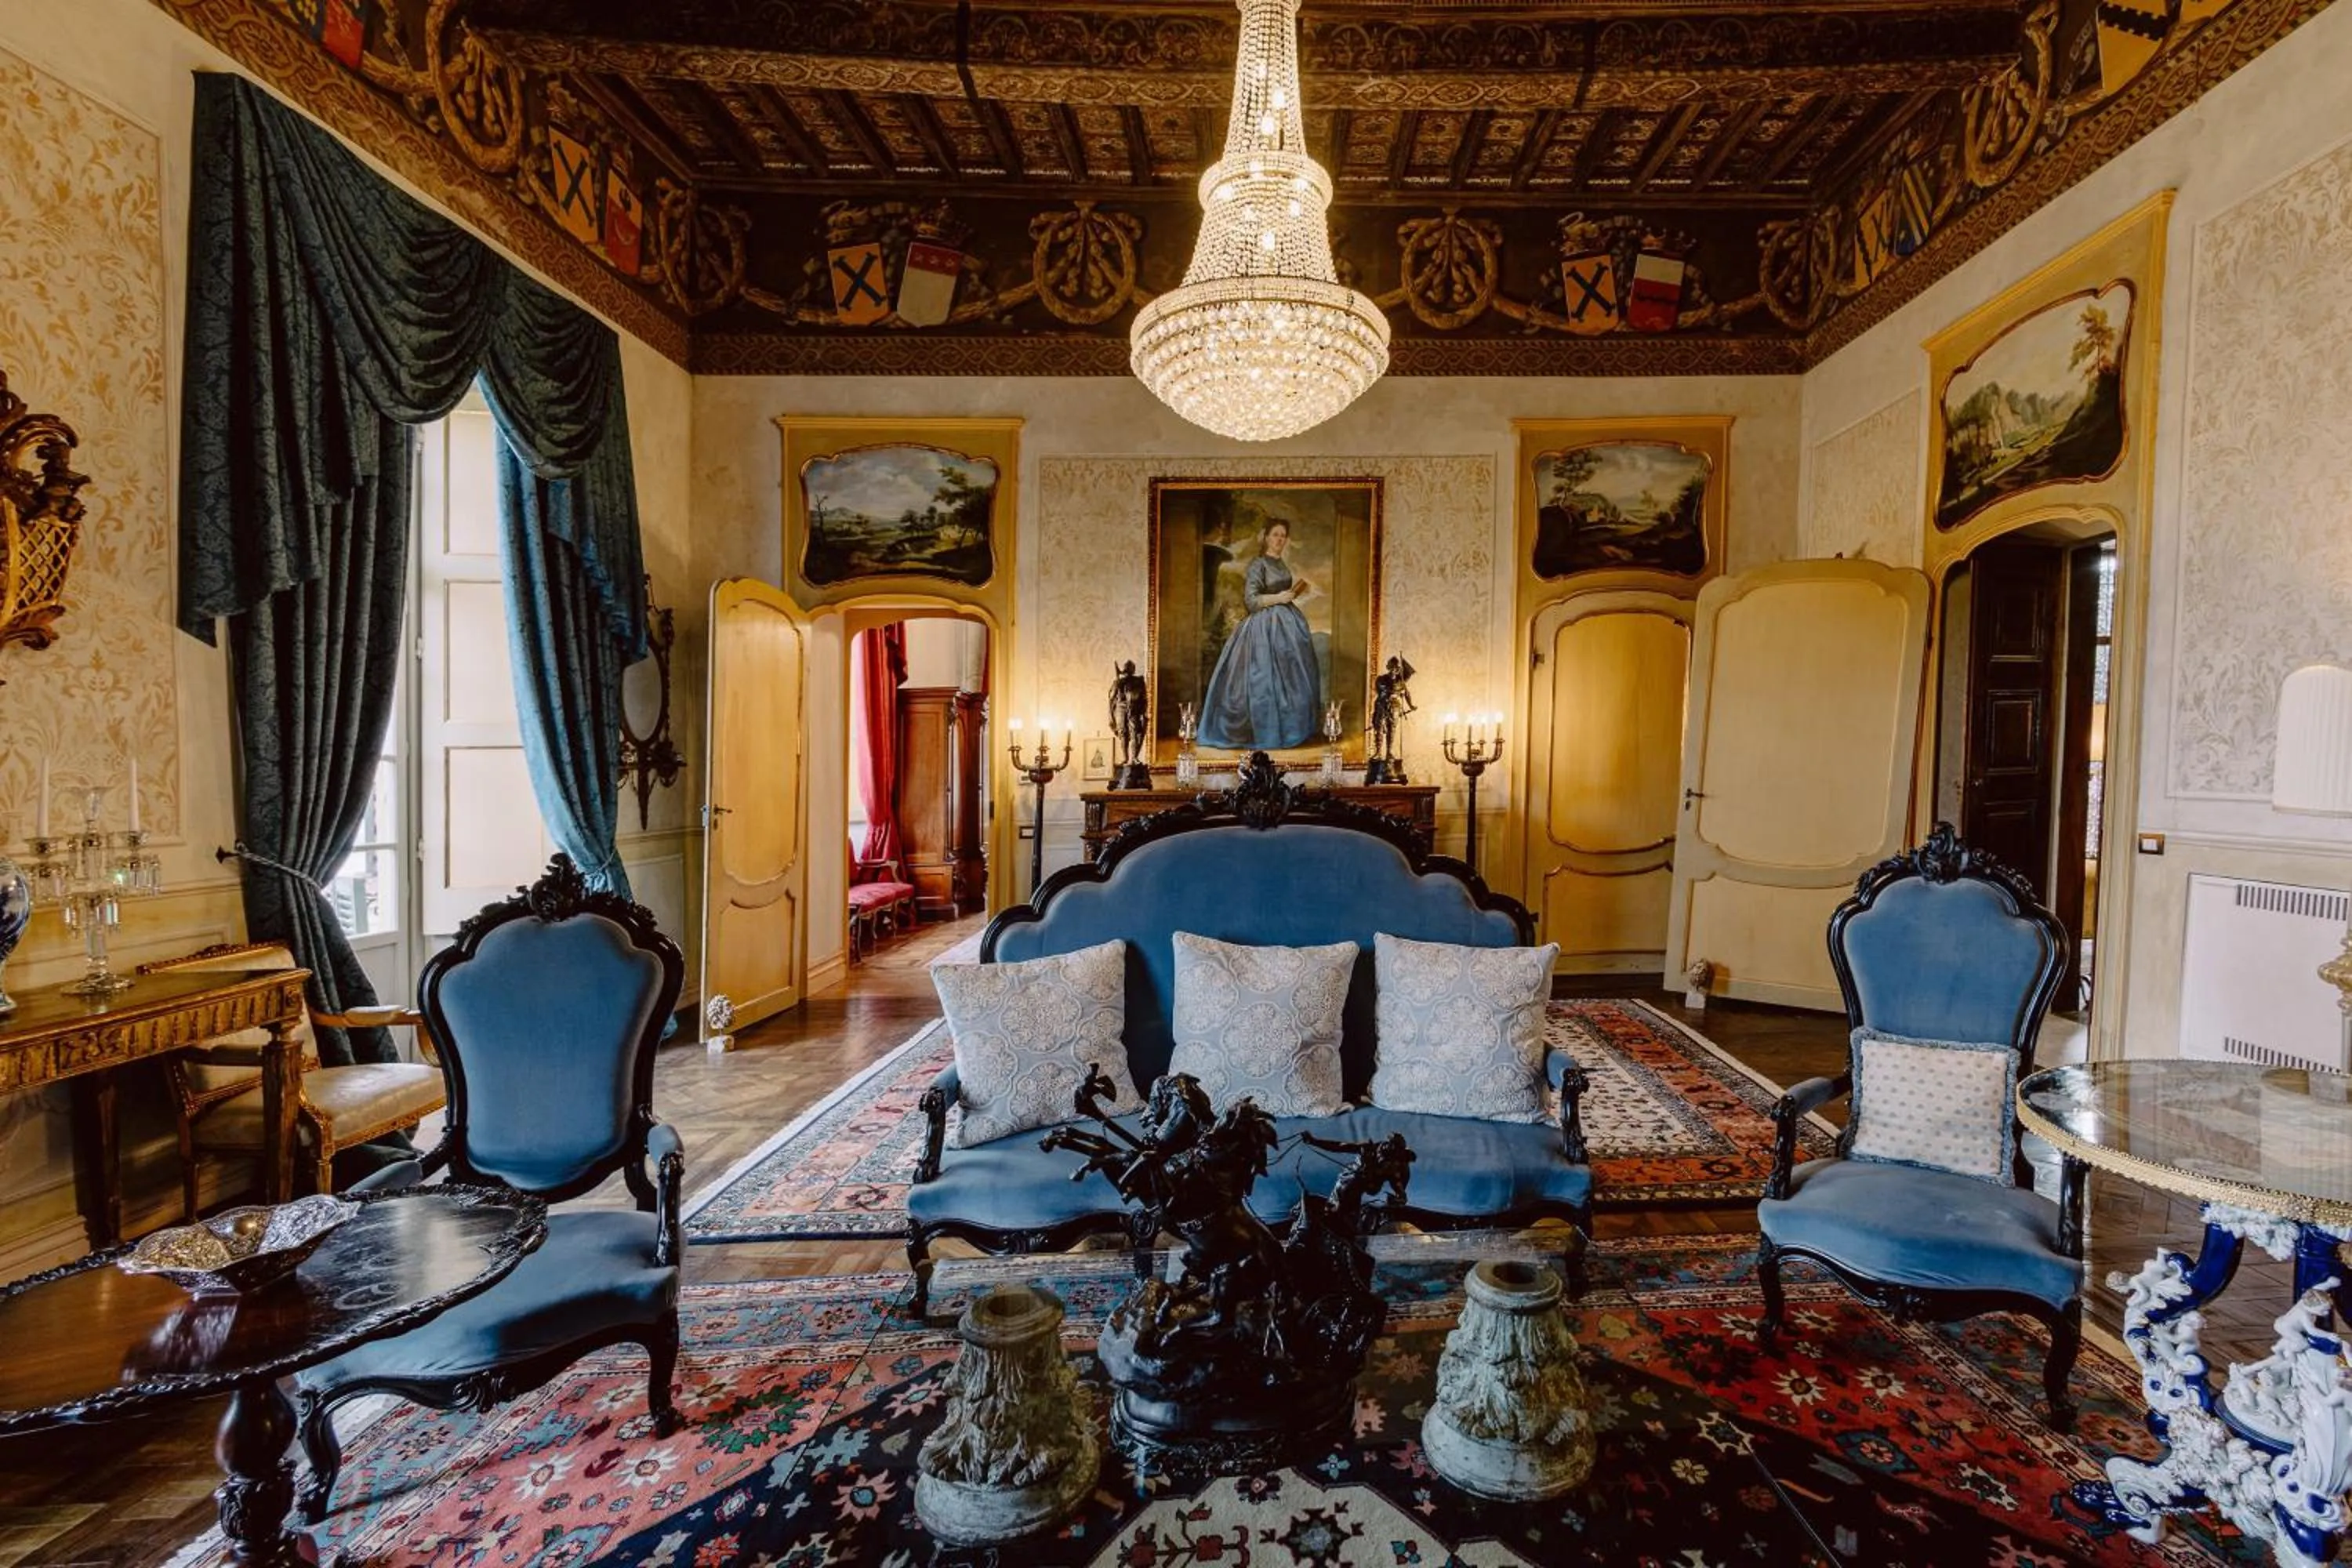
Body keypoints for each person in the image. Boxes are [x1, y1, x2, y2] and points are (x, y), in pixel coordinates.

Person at [1196, 517, 1321, 751]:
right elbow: (1252, 601)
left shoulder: (1282, 564)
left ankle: (1289, 730)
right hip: (1262, 629)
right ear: (1265, 537)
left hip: (1287, 626)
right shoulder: (1257, 564)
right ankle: (1265, 732)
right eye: (1275, 534)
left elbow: (1282, 591)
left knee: (1292, 675)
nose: (1279, 539)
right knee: (1262, 678)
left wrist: (1293, 595)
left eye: (1283, 535)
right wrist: (1279, 598)